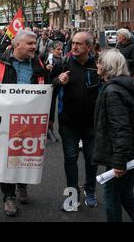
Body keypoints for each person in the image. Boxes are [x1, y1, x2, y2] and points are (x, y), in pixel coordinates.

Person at [0, 30, 49, 217]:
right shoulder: (0, 61)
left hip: (29, 119)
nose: (34, 46)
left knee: (25, 155)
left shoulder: (38, 62)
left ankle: (22, 186)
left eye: (35, 43)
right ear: (17, 45)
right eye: (30, 43)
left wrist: (50, 119)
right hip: (4, 119)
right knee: (5, 159)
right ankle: (8, 196)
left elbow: (47, 89)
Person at [93, 48, 134, 222]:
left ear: (107, 66)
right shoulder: (126, 87)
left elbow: (121, 129)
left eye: (100, 62)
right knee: (126, 196)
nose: (97, 65)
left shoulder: (113, 92)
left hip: (120, 155)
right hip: (129, 153)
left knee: (112, 197)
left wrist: (118, 162)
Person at [54, 31, 100, 210]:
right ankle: (72, 196)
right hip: (68, 124)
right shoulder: (63, 63)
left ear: (89, 46)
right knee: (70, 158)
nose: (74, 46)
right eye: (73, 43)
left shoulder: (97, 64)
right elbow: (50, 87)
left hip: (91, 124)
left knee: (91, 159)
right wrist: (58, 81)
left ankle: (90, 190)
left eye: (79, 44)